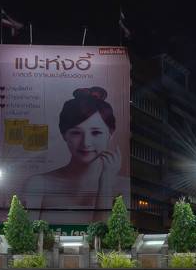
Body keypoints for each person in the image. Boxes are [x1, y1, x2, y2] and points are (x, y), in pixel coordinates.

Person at [21, 86, 123, 221]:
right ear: (64, 135)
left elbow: (107, 234)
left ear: (110, 134)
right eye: (76, 133)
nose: (86, 143)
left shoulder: (123, 187)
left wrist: (106, 183)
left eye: (96, 132)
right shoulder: (38, 184)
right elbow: (25, 232)